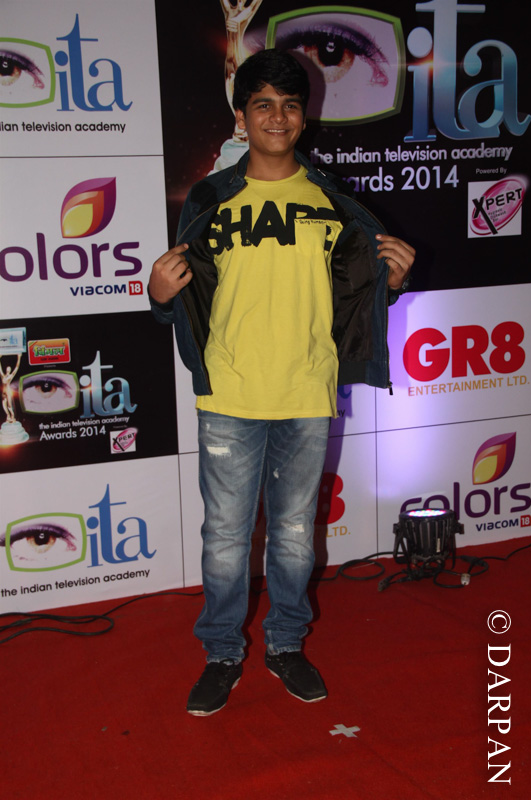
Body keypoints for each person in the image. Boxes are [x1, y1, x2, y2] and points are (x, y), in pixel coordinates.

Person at [149, 49, 415, 716]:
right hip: (230, 392)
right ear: (241, 117)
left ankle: (286, 644)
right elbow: (184, 292)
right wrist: (157, 296)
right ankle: (221, 653)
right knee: (224, 537)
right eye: (262, 103)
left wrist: (391, 282)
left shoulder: (332, 200)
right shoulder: (210, 197)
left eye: (290, 105)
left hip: (305, 390)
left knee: (295, 533)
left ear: (304, 117)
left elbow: (356, 291)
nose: (277, 116)